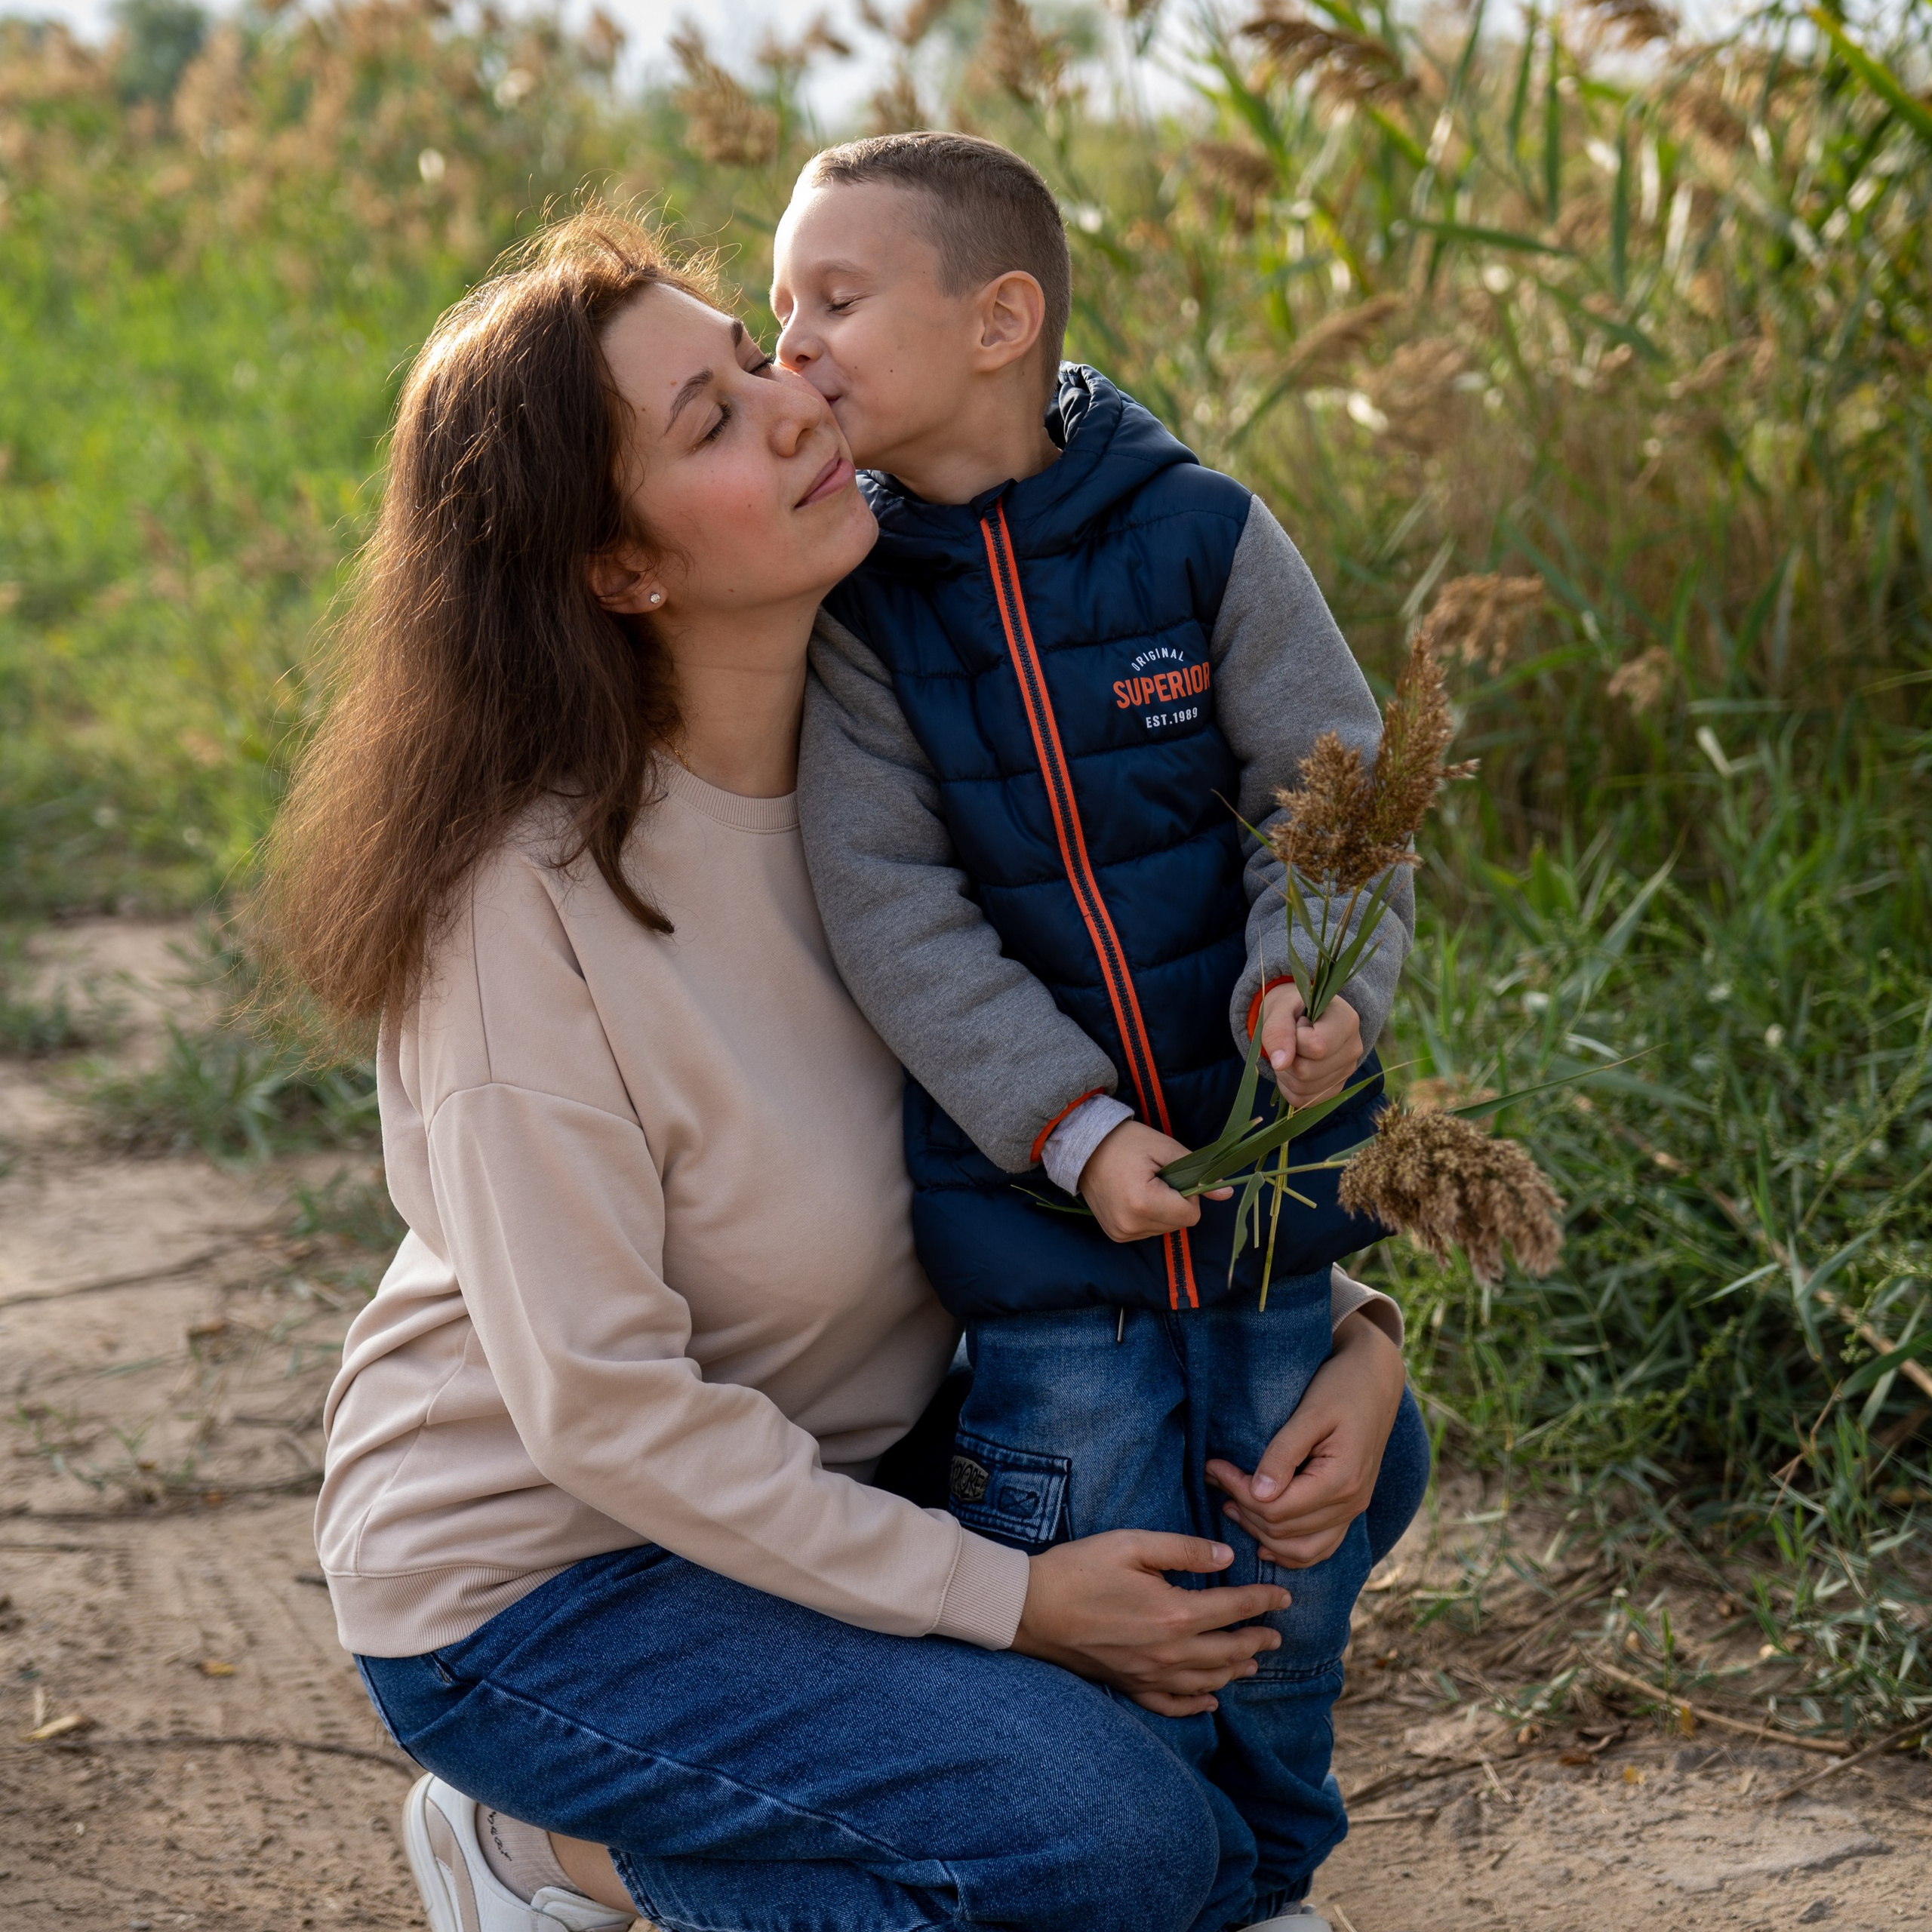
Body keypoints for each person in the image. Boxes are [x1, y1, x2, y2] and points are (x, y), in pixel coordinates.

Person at [266, 209, 1424, 1932]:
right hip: (548, 1580)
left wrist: (1358, 1337)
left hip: (834, 1470)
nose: (794, 392)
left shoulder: (921, 777)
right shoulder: (515, 913)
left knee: (1336, 1455)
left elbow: (1163, 1041)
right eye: (712, 418)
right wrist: (1010, 1604)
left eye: (753, 349)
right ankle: (539, 1851)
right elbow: (605, 1411)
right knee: (1108, 1847)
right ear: (619, 569)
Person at [772, 134, 1426, 1926]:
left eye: (833, 301)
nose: (791, 348)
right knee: (1103, 1577)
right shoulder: (863, 614)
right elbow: (890, 905)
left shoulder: (1200, 531)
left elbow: (1332, 790)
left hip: (1268, 1190)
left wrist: (1317, 993)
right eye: (779, 311)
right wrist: (1062, 1124)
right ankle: (1144, 1873)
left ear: (999, 318)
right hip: (1047, 1246)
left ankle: (1272, 1882)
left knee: (1284, 1575)